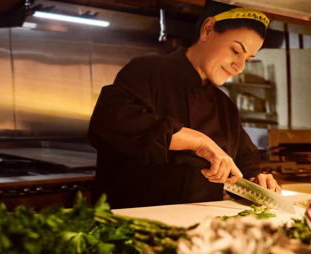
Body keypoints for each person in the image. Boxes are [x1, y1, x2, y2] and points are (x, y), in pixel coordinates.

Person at [87, 1, 281, 209]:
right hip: (131, 227)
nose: (240, 67)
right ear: (207, 30)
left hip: (199, 231)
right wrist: (198, 141)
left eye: (248, 59)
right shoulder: (149, 70)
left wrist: (258, 183)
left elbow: (245, 166)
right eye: (235, 50)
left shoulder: (225, 106)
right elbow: (109, 122)